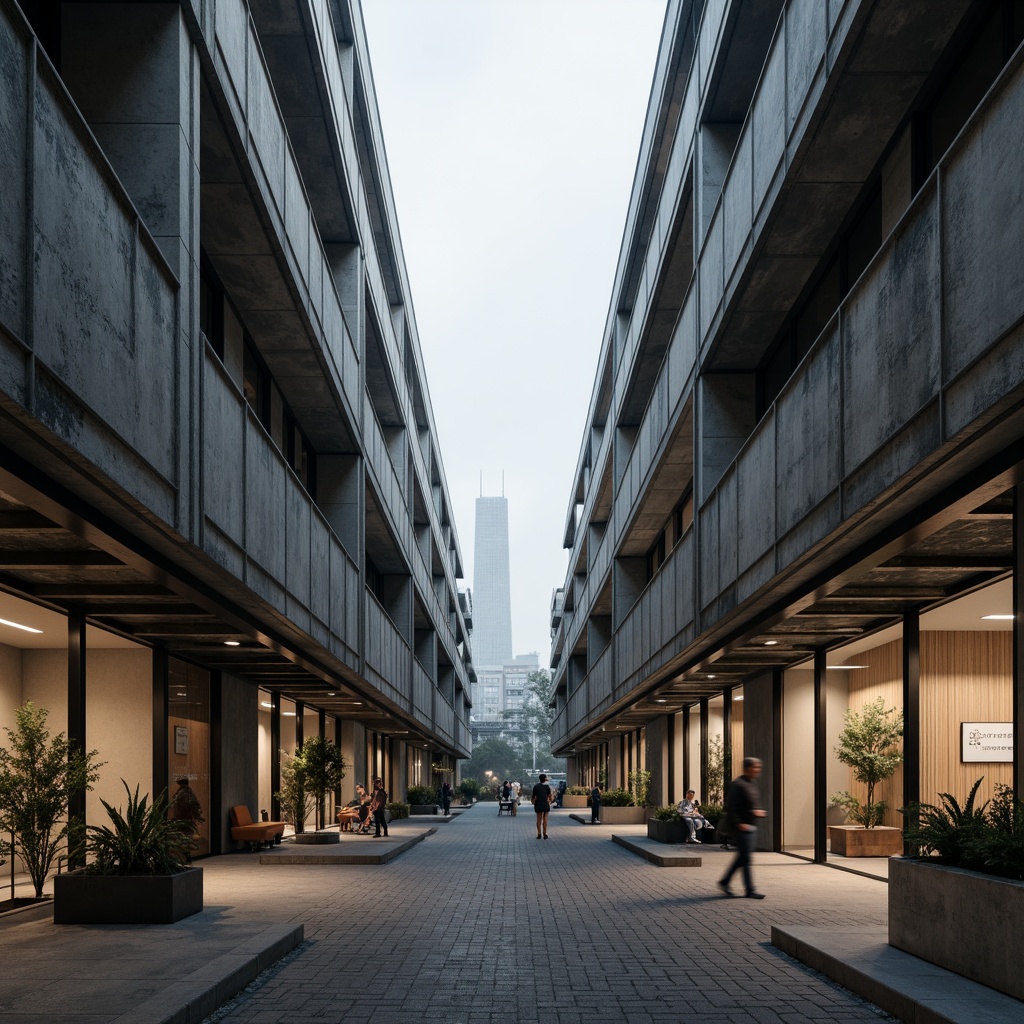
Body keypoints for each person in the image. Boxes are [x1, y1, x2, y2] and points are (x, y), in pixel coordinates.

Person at [718, 757, 766, 899]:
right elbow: (731, 806)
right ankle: (750, 890)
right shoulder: (738, 785)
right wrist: (739, 823)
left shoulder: (751, 783)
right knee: (746, 859)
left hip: (751, 826)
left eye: (758, 768)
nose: (757, 770)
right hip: (742, 828)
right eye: (755, 767)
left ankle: (724, 881)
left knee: (742, 858)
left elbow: (748, 805)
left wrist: (755, 812)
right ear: (747, 769)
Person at [531, 772, 553, 839]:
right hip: (545, 804)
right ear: (545, 779)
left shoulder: (536, 786)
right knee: (545, 819)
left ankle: (539, 833)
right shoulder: (547, 787)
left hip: (538, 804)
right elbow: (550, 796)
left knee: (539, 819)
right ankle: (545, 833)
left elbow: (533, 797)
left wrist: (533, 802)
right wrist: (550, 801)